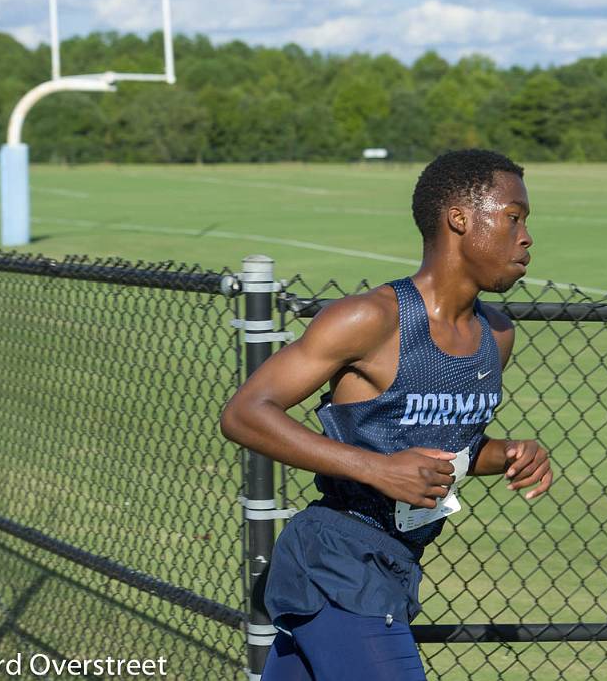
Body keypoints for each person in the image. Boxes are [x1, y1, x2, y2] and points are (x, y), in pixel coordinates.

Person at [219, 149, 553, 681]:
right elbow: (245, 413)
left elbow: (451, 446)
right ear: (460, 220)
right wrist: (374, 468)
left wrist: (510, 454)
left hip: (396, 564)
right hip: (337, 560)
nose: (527, 236)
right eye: (514, 217)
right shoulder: (370, 318)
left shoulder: (497, 334)